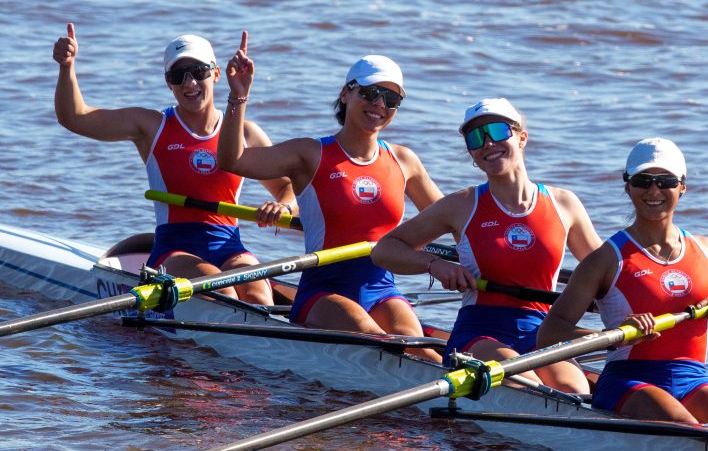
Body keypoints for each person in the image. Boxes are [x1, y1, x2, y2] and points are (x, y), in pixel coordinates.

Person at [216, 32, 442, 348]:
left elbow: (452, 221)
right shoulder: (310, 154)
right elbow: (232, 160)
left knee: (418, 347)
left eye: (391, 100)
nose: (379, 104)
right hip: (324, 292)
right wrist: (238, 96)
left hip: (382, 288)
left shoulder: (404, 161)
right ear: (346, 93)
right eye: (372, 92)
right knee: (380, 343)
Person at [53, 23, 294, 305]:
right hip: (174, 249)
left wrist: (284, 206)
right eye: (179, 75)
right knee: (223, 291)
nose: (189, 83)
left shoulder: (245, 132)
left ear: (216, 74)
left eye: (199, 72)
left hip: (230, 245)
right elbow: (74, 117)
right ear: (169, 83)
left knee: (259, 297)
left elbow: (287, 187)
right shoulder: (151, 126)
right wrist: (66, 66)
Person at [371, 98, 602, 392]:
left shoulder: (564, 204)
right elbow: (385, 250)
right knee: (532, 389)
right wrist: (435, 265)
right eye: (476, 138)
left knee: (576, 392)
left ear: (521, 138)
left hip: (544, 331)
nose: (488, 143)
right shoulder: (461, 205)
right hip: (480, 334)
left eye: (496, 130)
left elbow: (605, 273)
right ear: (471, 153)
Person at [536, 137, 708, 424]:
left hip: (693, 378)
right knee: (690, 431)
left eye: (666, 181)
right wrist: (615, 337)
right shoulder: (605, 259)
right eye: (643, 180)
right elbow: (549, 334)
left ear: (682, 186)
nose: (654, 190)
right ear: (628, 186)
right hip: (628, 379)